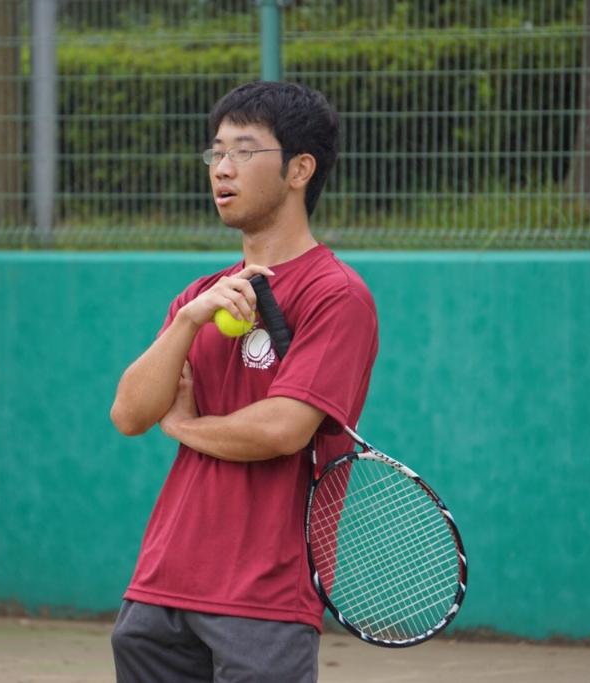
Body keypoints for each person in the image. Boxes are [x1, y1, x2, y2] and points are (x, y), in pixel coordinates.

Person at [108, 80, 379, 682]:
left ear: (299, 169)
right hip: (159, 588)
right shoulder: (201, 296)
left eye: (244, 151)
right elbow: (129, 414)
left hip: (265, 600)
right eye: (217, 151)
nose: (222, 168)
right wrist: (187, 320)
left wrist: (183, 425)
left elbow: (282, 429)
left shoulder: (337, 296)